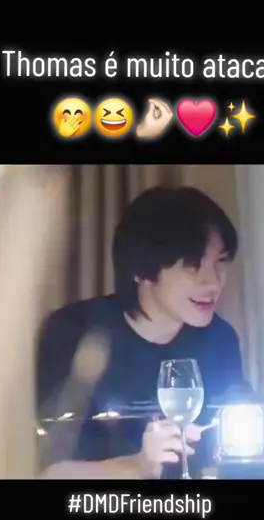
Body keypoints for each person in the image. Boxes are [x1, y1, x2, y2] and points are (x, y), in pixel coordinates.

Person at [36, 184, 247, 479]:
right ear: (141, 269)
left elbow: (232, 448)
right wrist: (138, 465)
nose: (213, 281)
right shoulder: (73, 334)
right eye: (192, 265)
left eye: (221, 262)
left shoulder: (219, 340)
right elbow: (47, 472)